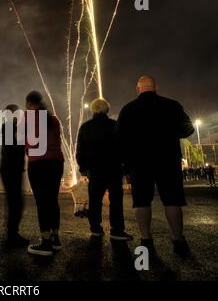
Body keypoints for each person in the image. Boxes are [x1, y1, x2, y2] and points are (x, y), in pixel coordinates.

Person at [116, 76, 195, 258]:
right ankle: (177, 239)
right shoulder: (172, 105)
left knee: (142, 201)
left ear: (138, 89)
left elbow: (119, 139)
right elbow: (188, 129)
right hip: (168, 160)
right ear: (156, 88)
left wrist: (125, 163)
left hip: (139, 162)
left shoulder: (128, 110)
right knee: (172, 200)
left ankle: (146, 239)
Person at [76, 98, 133, 241]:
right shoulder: (115, 126)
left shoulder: (85, 127)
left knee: (95, 200)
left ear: (92, 110)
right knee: (116, 201)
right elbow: (124, 148)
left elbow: (80, 151)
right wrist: (126, 168)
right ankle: (117, 230)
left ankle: (95, 228)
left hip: (95, 170)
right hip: (114, 169)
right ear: (107, 110)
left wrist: (83, 168)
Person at [22, 91, 64, 257]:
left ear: (30, 103)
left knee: (42, 201)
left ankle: (45, 242)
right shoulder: (54, 119)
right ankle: (55, 238)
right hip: (56, 162)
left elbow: (24, 142)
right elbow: (58, 140)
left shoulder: (27, 118)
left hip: (38, 163)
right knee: (53, 199)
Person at [0, 104, 28, 247]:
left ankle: (12, 233)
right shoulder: (9, 127)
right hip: (11, 169)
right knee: (16, 202)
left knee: (14, 202)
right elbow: (12, 148)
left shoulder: (9, 127)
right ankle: (12, 235)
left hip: (10, 168)